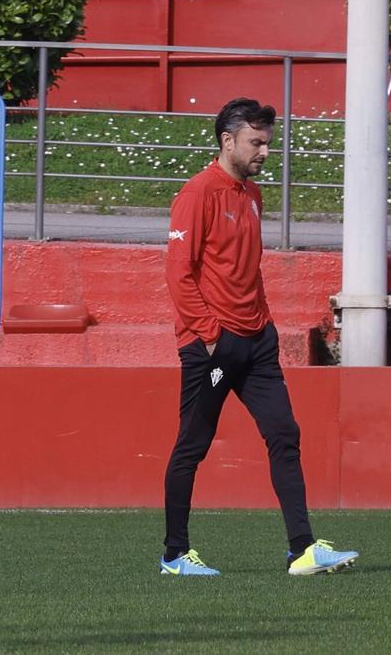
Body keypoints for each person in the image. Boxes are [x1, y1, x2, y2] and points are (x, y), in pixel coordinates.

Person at [160, 97, 359, 576]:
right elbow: (177, 273)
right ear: (228, 141)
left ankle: (301, 550)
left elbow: (248, 268)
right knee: (194, 443)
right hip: (214, 346)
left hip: (257, 340)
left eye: (267, 142)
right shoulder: (197, 194)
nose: (265, 152)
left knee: (284, 433)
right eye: (256, 142)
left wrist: (263, 323)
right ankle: (173, 555)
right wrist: (210, 335)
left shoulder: (252, 195)